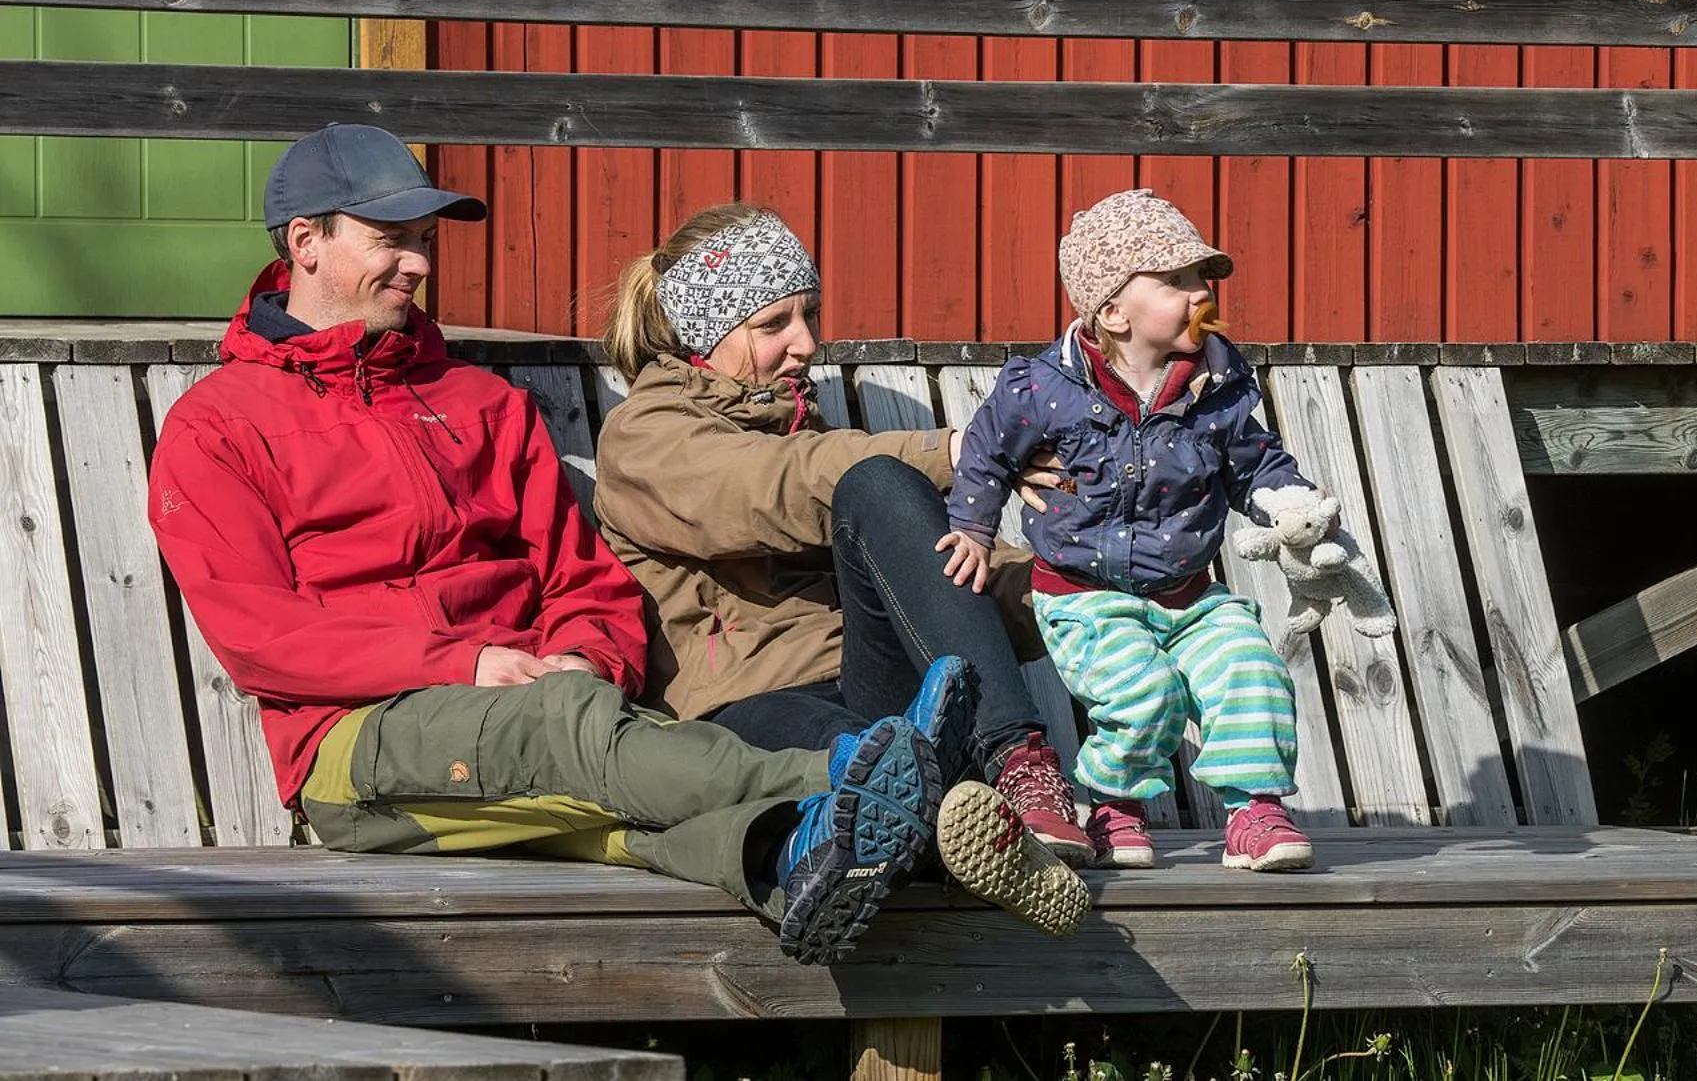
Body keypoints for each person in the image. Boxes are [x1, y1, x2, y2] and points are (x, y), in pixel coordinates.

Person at [147, 124, 994, 966]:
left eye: (425, 241)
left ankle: (798, 868)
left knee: (632, 817)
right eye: (392, 240)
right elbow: (264, 635)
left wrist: (588, 657)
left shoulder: (477, 401)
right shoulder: (221, 424)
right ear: (306, 242)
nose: (420, 264)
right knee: (571, 729)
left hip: (547, 725)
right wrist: (471, 664)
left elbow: (585, 582)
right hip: (357, 744)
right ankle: (871, 781)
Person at [591, 206, 1101, 909]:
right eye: (774, 324)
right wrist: (961, 451)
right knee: (877, 483)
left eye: (810, 314)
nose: (805, 344)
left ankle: (1014, 770)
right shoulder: (645, 437)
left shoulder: (805, 428)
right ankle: (920, 824)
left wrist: (1085, 585)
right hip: (744, 710)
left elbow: (951, 565)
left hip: (871, 689)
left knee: (885, 496)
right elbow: (770, 486)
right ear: (700, 335)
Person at [936, 189, 1331, 873]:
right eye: (1175, 280)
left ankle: (1255, 808)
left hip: (1188, 592)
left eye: (1200, 278)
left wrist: (1286, 501)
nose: (1198, 292)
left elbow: (1252, 461)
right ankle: (1116, 806)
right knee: (1144, 690)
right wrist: (972, 525)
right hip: (1084, 594)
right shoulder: (1044, 388)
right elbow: (988, 450)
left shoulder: (1217, 384)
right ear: (1113, 311)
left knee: (1252, 667)